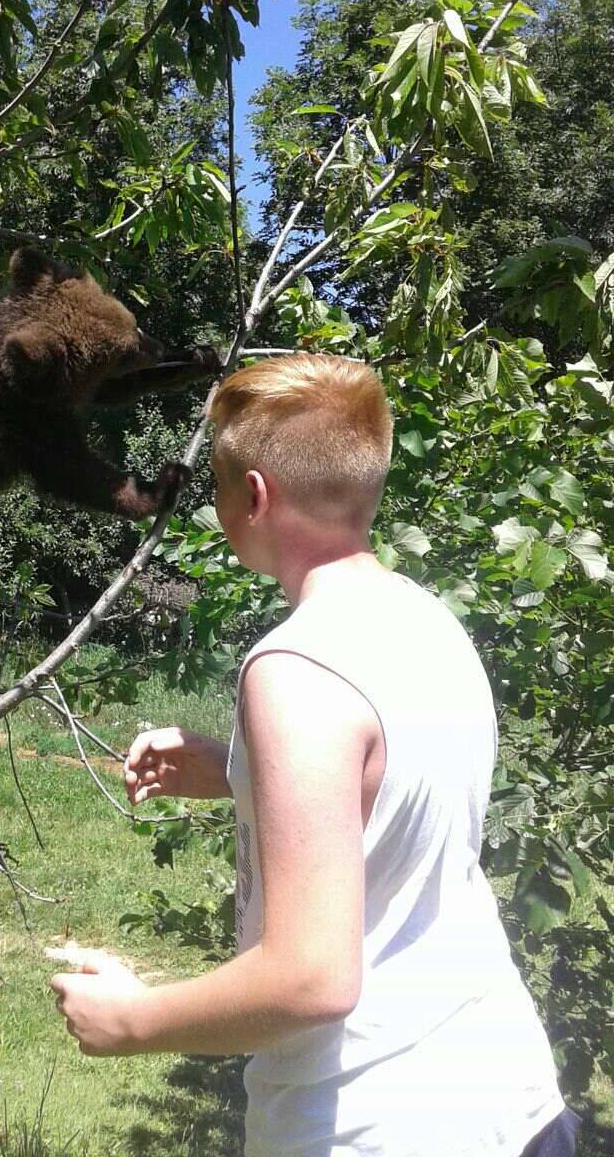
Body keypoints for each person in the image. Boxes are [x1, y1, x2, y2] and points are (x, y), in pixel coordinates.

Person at [50, 353, 577, 1157]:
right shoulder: (425, 621)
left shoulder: (294, 671)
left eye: (221, 489)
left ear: (253, 497)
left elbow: (311, 979)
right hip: (511, 1099)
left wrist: (129, 1019)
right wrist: (239, 771)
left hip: (379, 1127)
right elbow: (395, 789)